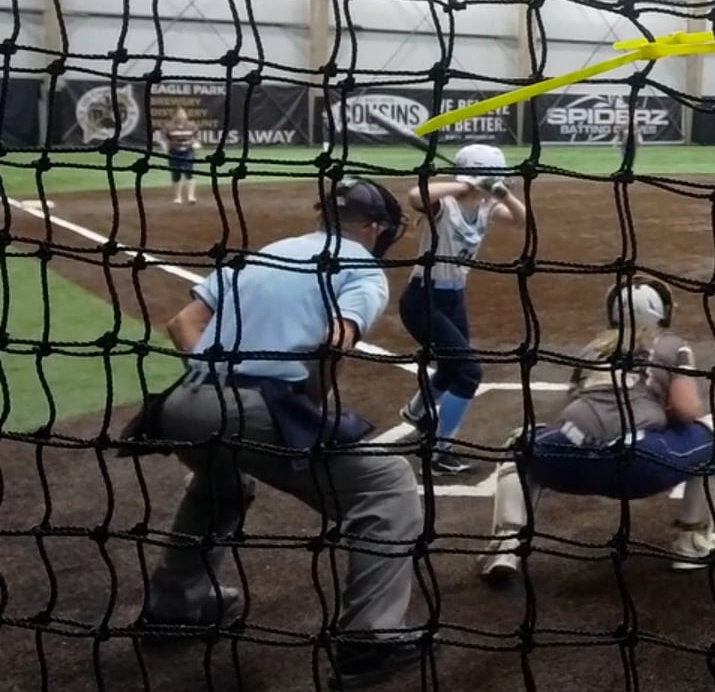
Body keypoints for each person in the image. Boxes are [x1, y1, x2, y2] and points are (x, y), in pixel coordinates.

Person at [125, 177, 426, 689]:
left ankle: (175, 607)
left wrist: (217, 383)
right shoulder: (362, 269)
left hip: (182, 404)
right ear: (375, 228)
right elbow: (334, 342)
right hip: (252, 409)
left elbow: (182, 324)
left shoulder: (266, 252)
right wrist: (301, 409)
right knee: (387, 484)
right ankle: (368, 641)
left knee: (221, 483)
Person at [478, 277, 715, 586]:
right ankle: (693, 543)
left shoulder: (592, 349)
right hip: (640, 465)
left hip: (567, 459)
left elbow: (570, 405)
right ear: (663, 312)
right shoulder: (674, 346)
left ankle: (506, 546)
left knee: (520, 443)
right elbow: (686, 411)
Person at [397, 144, 527, 478]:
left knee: (451, 367)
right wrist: (465, 184)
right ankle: (441, 453)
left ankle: (416, 412)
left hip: (453, 299)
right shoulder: (446, 205)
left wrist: (501, 192)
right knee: (469, 373)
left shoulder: (485, 206)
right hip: (422, 300)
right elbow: (415, 196)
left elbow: (522, 220)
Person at [161, 107, 200, 205]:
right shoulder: (168, 126)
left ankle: (191, 196)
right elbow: (163, 138)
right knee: (176, 174)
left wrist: (196, 143)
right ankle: (178, 197)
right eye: (179, 113)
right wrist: (165, 145)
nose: (181, 116)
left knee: (189, 172)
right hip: (174, 152)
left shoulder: (192, 125)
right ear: (175, 115)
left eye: (183, 113)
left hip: (188, 151)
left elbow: (196, 137)